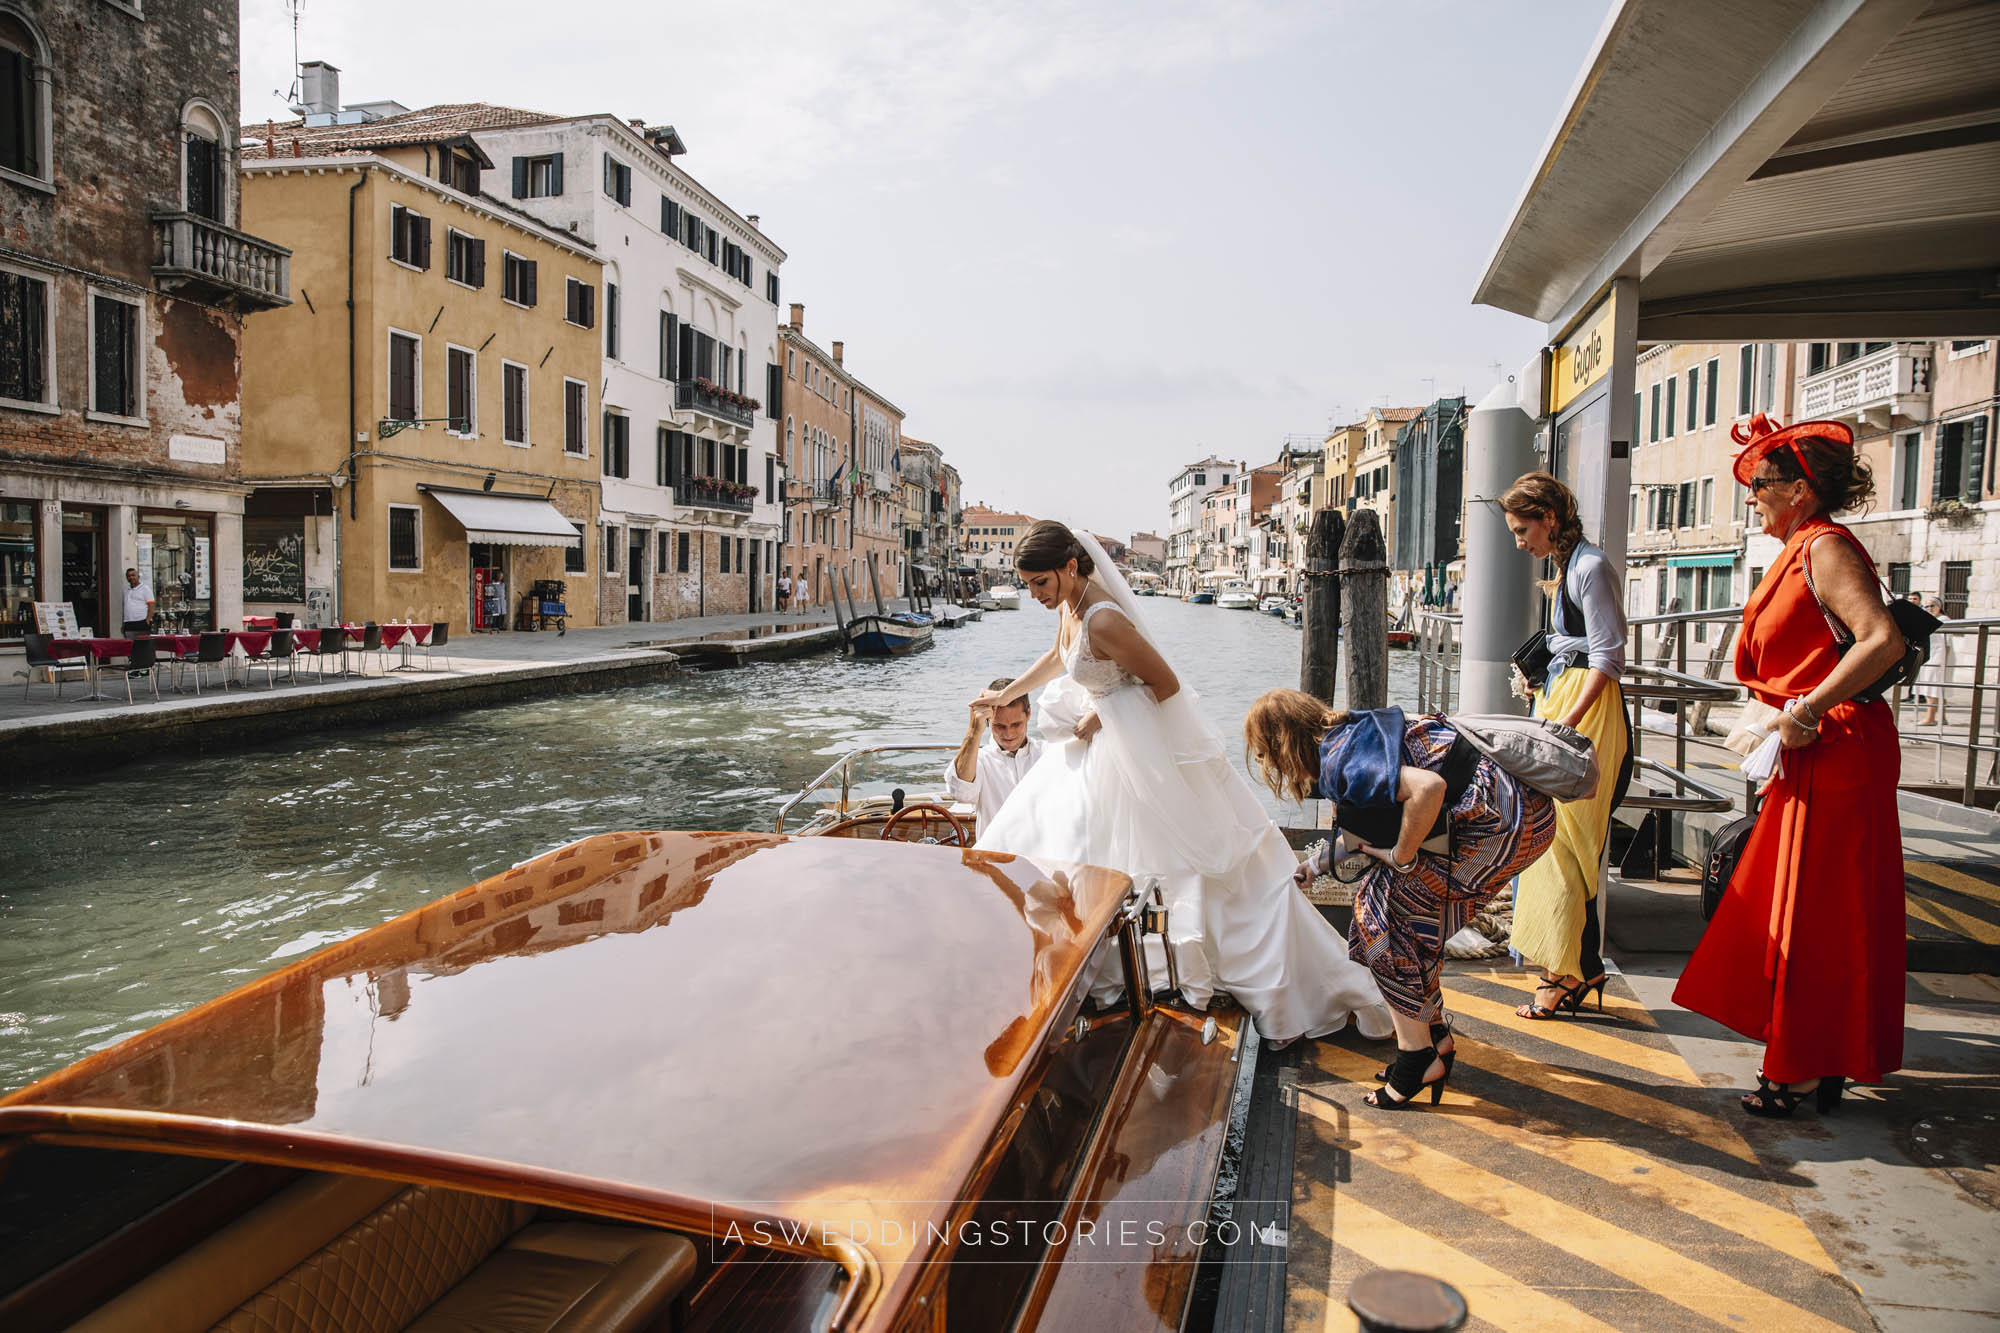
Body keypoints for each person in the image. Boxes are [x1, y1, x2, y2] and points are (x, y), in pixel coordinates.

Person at [974, 521, 1393, 1048]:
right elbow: (1060, 656)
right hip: (1104, 755)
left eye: (1041, 583)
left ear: (1071, 567)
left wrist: (1101, 717)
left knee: (1175, 865)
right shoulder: (1071, 606)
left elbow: (1164, 682)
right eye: (1030, 585)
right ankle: (1108, 973)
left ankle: (1220, 974)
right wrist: (1006, 694)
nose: (1035, 595)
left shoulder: (1104, 620)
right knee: (1082, 852)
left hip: (1128, 751)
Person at [1674, 415, 1906, 1118]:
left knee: (1818, 917)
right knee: (1806, 912)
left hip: (1835, 749)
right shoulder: (1803, 546)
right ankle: (1815, 1056)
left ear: (1800, 489)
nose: (1752, 496)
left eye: (1760, 483)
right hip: (1814, 749)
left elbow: (1881, 640)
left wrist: (1804, 711)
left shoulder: (1826, 547)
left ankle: (1804, 1065)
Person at [1246, 690, 1556, 1108]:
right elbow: (1375, 820)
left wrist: (1400, 857)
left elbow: (1428, 788)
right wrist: (1317, 864)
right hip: (1520, 812)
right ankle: (1434, 1037)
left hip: (1500, 822)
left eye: (1266, 753)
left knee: (1379, 920)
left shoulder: (1339, 760)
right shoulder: (1349, 731)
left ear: (1282, 742)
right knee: (1399, 915)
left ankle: (1417, 1057)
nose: (1268, 764)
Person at [1498, 472, 1629, 1021]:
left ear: (1549, 519)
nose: (1519, 541)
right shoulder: (1570, 566)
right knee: (1552, 837)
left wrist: (1566, 724)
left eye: (1522, 528)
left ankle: (1563, 974)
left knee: (1563, 843)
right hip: (1565, 700)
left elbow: (1608, 656)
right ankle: (1578, 966)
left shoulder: (1590, 567)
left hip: (1584, 710)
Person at [946, 676, 1045, 830]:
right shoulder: (980, 760)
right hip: (997, 852)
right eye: (999, 726)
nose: (1009, 733)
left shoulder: (1047, 753)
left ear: (1029, 714)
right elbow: (961, 793)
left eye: (1016, 724)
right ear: (988, 720)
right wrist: (974, 730)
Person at [1917, 597, 1952, 727]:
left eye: (1932, 606)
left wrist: (1943, 661)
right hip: (1932, 655)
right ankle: (1942, 717)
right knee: (1936, 688)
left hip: (1938, 657)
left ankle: (1930, 717)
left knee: (1931, 688)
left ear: (1939, 607)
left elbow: (1947, 643)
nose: (1929, 609)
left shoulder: (1944, 620)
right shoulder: (1931, 620)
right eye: (1926, 607)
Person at [120, 567, 154, 635]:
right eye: (129, 576)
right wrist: (123, 624)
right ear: (127, 578)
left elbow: (151, 606)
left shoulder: (145, 589)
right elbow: (125, 608)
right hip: (128, 623)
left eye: (133, 575)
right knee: (130, 644)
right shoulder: (126, 591)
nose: (131, 577)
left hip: (141, 622)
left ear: (138, 576)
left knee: (142, 644)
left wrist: (147, 621)